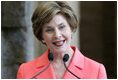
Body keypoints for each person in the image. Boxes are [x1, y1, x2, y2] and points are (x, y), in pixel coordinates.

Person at [17, 1, 107, 79]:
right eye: (49, 30)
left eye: (62, 27)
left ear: (71, 28)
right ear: (41, 37)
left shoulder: (96, 70)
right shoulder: (26, 71)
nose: (57, 35)